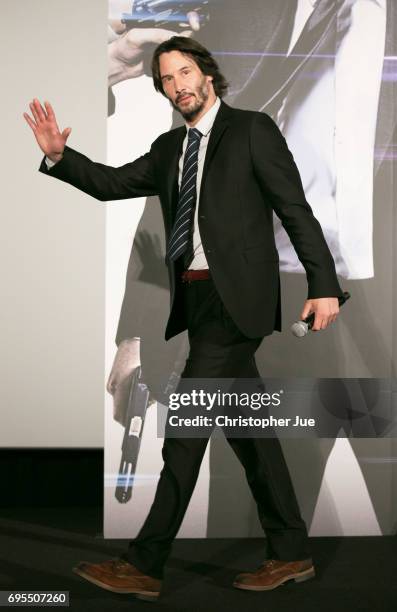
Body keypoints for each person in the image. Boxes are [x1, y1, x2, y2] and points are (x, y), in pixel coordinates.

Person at [24, 36, 343, 601]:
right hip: (196, 303)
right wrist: (58, 156)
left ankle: (146, 563)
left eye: (186, 72)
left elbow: (295, 209)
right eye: (168, 79)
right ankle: (291, 552)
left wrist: (322, 286)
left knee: (185, 433)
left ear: (209, 75)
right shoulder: (170, 147)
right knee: (253, 435)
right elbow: (113, 183)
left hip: (233, 303)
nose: (179, 85)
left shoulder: (251, 131)